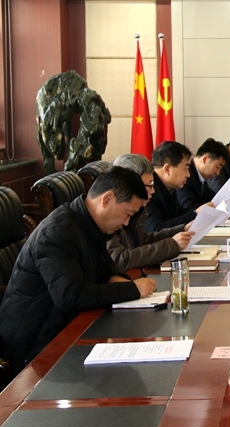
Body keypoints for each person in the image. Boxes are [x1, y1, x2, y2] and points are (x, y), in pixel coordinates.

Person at [0, 167, 157, 376]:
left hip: (69, 326)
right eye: (127, 214)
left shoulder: (88, 222)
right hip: (36, 345)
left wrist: (117, 279)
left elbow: (105, 265)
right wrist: (132, 289)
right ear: (107, 199)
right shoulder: (58, 233)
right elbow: (70, 295)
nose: (126, 223)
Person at [107, 154, 195, 271]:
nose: (153, 191)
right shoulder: (111, 213)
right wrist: (172, 244)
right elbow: (121, 259)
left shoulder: (138, 210)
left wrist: (182, 229)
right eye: (149, 185)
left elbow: (143, 240)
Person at [145, 141, 210, 232]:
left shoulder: (169, 188)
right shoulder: (148, 189)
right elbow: (156, 229)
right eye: (185, 169)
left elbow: (180, 214)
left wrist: (202, 212)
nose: (188, 175)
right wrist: (195, 213)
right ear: (167, 169)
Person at [177, 138, 227, 211]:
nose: (218, 173)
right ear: (205, 159)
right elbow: (188, 207)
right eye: (217, 167)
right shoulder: (185, 176)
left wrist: (227, 202)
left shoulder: (201, 177)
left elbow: (213, 199)